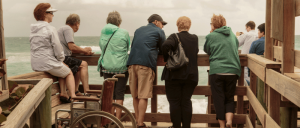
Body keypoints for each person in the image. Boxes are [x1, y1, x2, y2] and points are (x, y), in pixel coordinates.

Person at [127, 14, 167, 128]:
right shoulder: (159, 32)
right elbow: (164, 48)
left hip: (132, 63)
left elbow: (134, 45)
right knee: (143, 96)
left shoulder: (138, 30)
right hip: (145, 64)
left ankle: (136, 122)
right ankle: (140, 124)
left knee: (135, 95)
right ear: (156, 22)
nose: (162, 26)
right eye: (162, 23)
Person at [30, 3, 77, 100]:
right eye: (51, 12)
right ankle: (73, 97)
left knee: (61, 68)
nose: (53, 15)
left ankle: (63, 93)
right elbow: (57, 48)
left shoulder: (33, 30)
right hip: (47, 63)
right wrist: (61, 59)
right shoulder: (50, 29)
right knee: (68, 72)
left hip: (35, 63)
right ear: (45, 14)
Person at [204, 14, 241, 128]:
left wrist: (211, 33)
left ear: (213, 24)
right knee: (229, 98)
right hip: (233, 70)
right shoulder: (232, 35)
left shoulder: (211, 35)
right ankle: (229, 121)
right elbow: (237, 45)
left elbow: (207, 49)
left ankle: (222, 126)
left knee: (219, 99)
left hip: (217, 70)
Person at [161, 16, 198, 128]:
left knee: (175, 102)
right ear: (189, 25)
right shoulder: (195, 38)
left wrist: (167, 59)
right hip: (191, 76)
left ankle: (176, 126)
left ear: (178, 26)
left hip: (174, 76)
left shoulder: (174, 36)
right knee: (186, 101)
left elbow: (165, 46)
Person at [97, 11, 130, 119]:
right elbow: (127, 46)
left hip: (107, 66)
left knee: (110, 93)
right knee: (119, 93)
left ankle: (110, 120)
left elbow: (102, 46)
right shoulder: (124, 32)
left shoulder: (103, 31)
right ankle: (117, 120)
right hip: (121, 68)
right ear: (119, 21)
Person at [57, 14, 92, 102]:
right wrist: (85, 51)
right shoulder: (68, 29)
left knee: (78, 67)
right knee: (84, 64)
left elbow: (70, 48)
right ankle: (87, 92)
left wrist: (83, 50)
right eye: (79, 25)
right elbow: (72, 46)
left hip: (59, 57)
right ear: (77, 23)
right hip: (63, 57)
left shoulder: (62, 28)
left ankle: (76, 91)